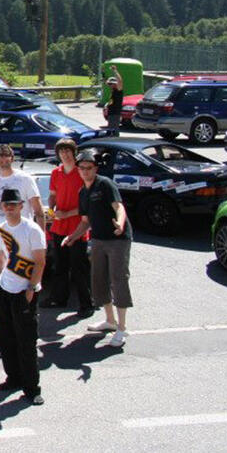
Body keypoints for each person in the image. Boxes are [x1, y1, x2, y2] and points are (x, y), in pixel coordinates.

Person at [64, 149, 133, 348]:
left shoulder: (105, 184)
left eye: (89, 168)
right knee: (98, 278)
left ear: (95, 168)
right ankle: (109, 321)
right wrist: (72, 237)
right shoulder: (82, 192)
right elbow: (85, 221)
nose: (85, 171)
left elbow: (119, 207)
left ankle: (121, 328)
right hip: (98, 239)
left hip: (118, 239)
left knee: (118, 279)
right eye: (82, 168)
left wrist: (120, 224)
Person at [0, 187, 47, 406]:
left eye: (13, 204)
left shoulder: (32, 229)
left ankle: (32, 388)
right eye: (6, 205)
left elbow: (40, 261)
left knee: (26, 341)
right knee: (5, 337)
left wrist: (31, 288)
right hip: (4, 289)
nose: (10, 208)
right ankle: (13, 378)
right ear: (2, 207)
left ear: (21, 206)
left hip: (25, 290)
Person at [44, 138, 93, 313]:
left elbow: (87, 204)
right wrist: (51, 210)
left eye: (67, 151)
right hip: (59, 226)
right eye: (61, 151)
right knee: (60, 266)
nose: (64, 154)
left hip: (77, 227)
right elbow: (52, 196)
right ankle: (58, 299)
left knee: (79, 268)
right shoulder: (56, 173)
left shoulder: (81, 173)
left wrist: (68, 213)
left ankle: (87, 304)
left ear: (74, 152)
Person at [0, 144, 46, 248]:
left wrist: (41, 238)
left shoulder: (25, 179)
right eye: (0, 155)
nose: (3, 158)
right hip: (2, 236)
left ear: (12, 158)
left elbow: (38, 211)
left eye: (6, 155)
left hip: (24, 234)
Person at [104, 68, 124, 137]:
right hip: (111, 113)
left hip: (115, 114)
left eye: (111, 84)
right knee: (110, 130)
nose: (109, 85)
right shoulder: (113, 91)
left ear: (115, 84)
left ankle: (115, 142)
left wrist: (115, 71)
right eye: (109, 84)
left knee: (114, 130)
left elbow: (120, 81)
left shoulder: (119, 90)